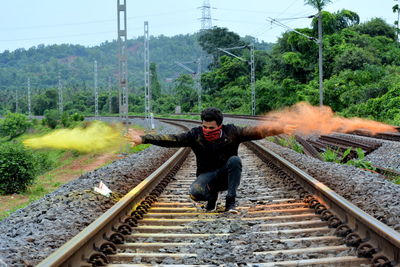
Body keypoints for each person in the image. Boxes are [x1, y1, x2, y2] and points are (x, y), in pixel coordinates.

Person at [126, 107, 295, 213]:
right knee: (195, 193)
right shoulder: (195, 134)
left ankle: (231, 203)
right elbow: (172, 139)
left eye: (211, 127)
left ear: (220, 125)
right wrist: (144, 138)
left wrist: (280, 128)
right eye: (204, 126)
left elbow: (257, 131)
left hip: (226, 175)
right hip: (207, 175)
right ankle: (212, 198)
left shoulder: (232, 132)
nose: (207, 130)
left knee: (235, 160)